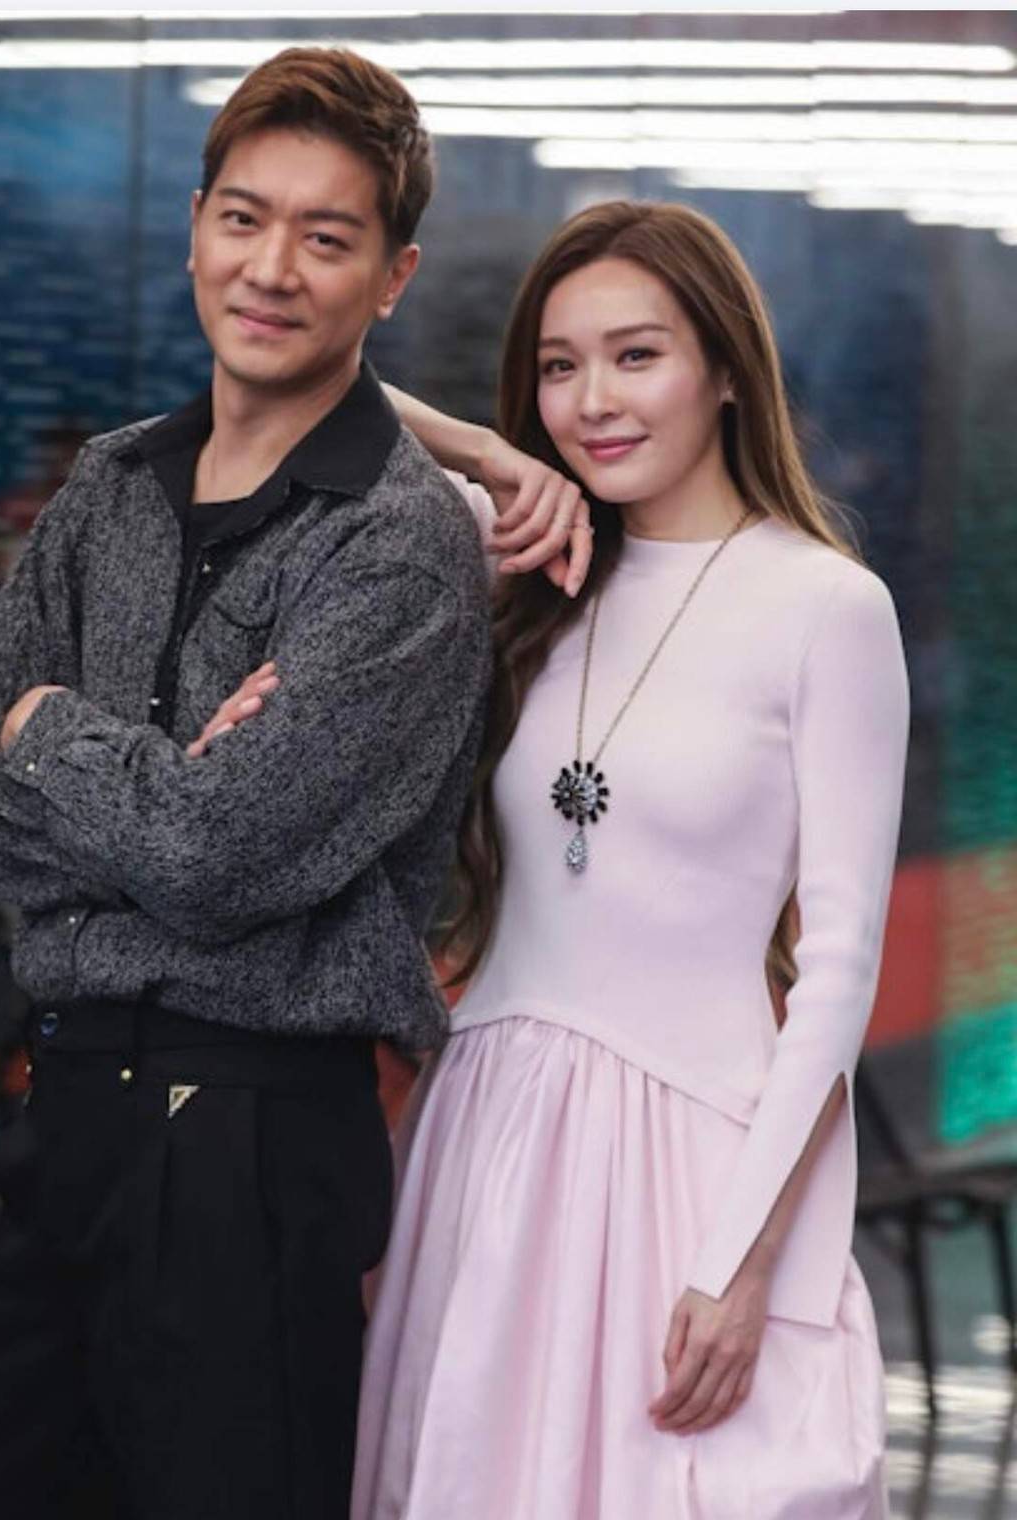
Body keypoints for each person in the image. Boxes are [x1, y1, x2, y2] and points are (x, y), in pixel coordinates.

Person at [0, 47, 580, 1520]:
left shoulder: (399, 544)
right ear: (197, 229)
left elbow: (221, 857)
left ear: (392, 279)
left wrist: (50, 728)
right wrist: (147, 795)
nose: (271, 269)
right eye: (243, 218)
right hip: (67, 1110)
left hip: (252, 1145)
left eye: (326, 238)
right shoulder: (110, 486)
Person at [229, 199, 909, 1517]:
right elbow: (300, 385)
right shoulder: (525, 573)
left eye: (636, 355)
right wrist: (488, 455)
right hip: (489, 1134)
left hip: (693, 1165)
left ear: (726, 369)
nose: (592, 400)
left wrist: (746, 1259)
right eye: (558, 365)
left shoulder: (827, 606)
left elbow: (838, 973)